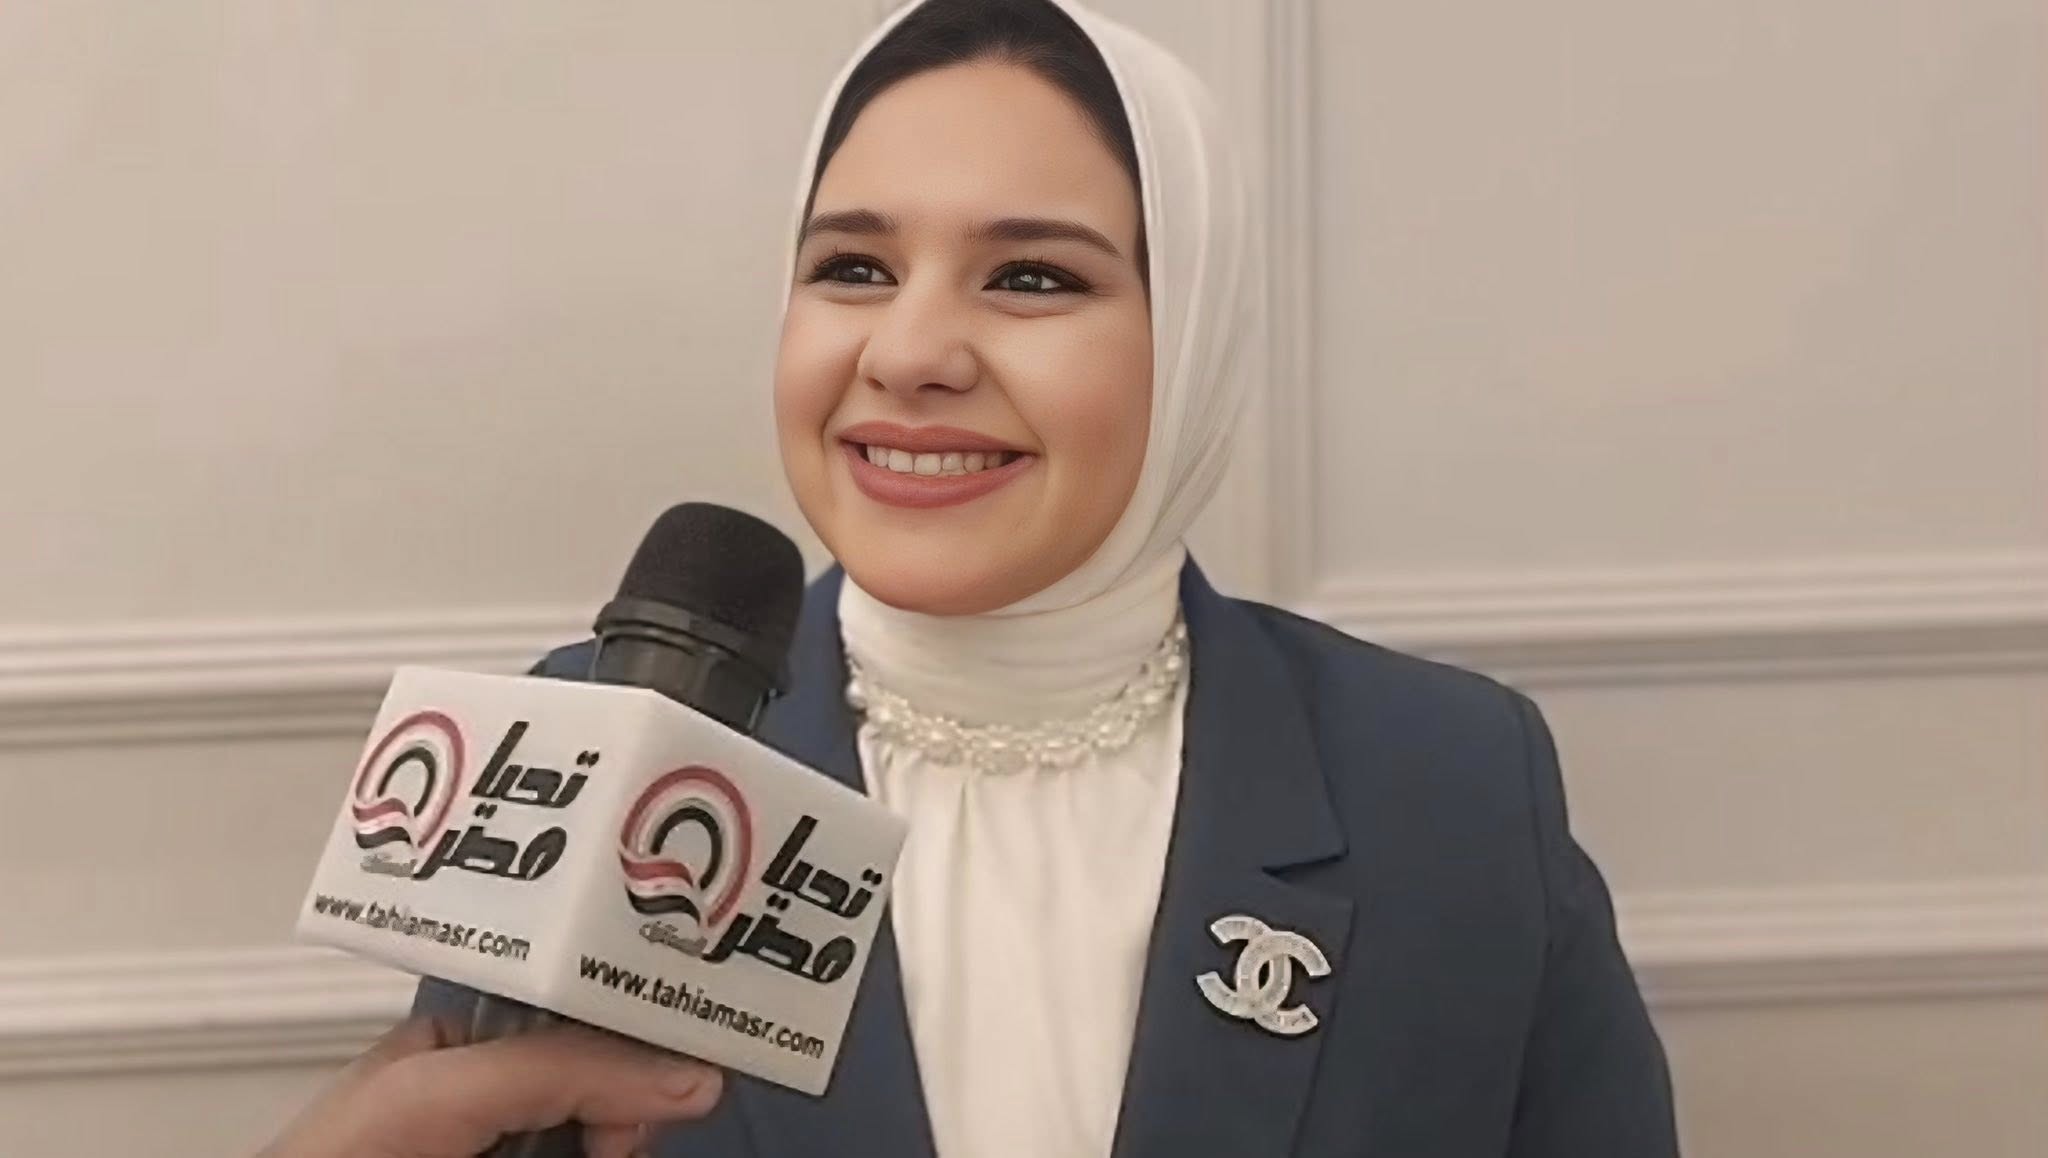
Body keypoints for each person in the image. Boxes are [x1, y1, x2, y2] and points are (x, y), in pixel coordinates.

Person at [269, 0, 1680, 1154]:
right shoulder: (591, 746)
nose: (910, 354)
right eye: (854, 267)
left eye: (1031, 279)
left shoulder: (1451, 784)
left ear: (1193, 337)